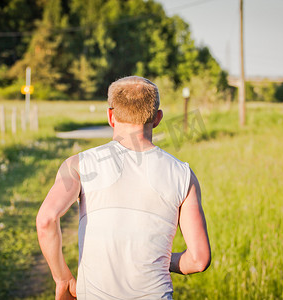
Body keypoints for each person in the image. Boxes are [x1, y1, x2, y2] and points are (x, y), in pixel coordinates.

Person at [36, 76, 211, 300]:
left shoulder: (79, 165)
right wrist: (167, 260)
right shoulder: (183, 175)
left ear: (111, 116)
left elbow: (46, 220)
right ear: (157, 118)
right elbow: (199, 260)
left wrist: (63, 278)